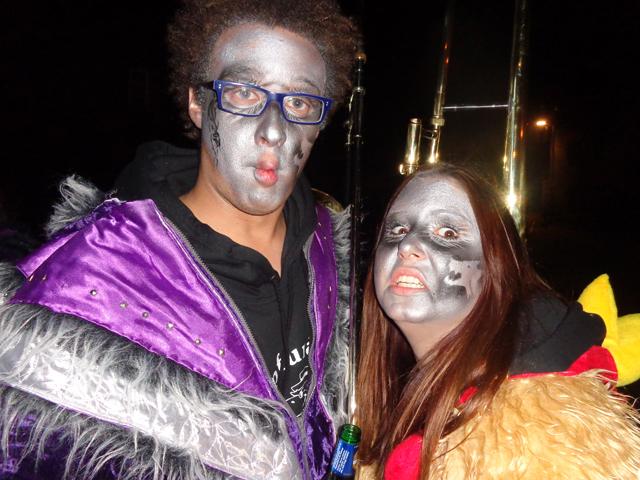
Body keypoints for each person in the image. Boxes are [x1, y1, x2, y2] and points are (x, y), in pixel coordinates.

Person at [0, 1, 360, 479]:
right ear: (197, 102)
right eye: (244, 93)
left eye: (299, 103)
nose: (274, 131)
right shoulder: (89, 284)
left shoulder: (337, 258)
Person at [356, 164, 640, 479]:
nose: (407, 246)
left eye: (447, 233)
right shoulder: (386, 389)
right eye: (397, 229)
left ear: (495, 265)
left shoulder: (542, 441)